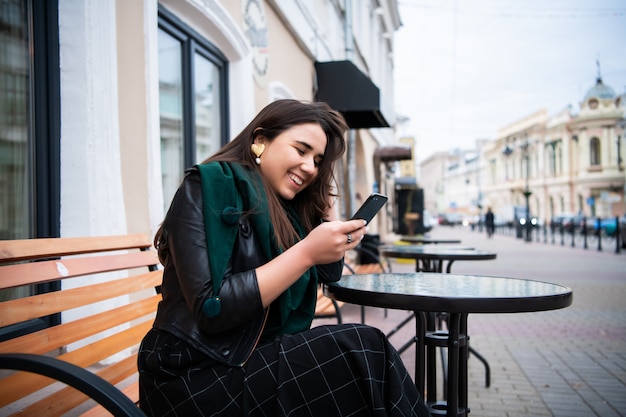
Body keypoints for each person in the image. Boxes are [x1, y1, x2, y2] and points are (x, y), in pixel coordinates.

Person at [138, 99, 431, 417]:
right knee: (362, 348)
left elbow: (329, 273)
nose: (311, 167)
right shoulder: (210, 186)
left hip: (248, 359)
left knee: (364, 369)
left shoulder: (284, 209)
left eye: (318, 160)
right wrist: (305, 252)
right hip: (194, 375)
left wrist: (327, 211)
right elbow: (213, 307)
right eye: (301, 150)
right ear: (260, 140)